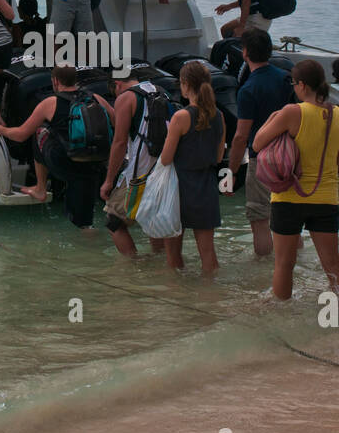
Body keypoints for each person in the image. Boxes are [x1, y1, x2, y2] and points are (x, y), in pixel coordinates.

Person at [253, 60, 339, 300]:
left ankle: (283, 314)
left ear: (302, 85)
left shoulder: (291, 111)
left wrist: (272, 118)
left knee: (284, 264)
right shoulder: (338, 114)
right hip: (326, 198)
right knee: (332, 263)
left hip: (288, 197)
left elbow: (257, 144)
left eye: (294, 83)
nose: (294, 87)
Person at [0, 65, 113, 222]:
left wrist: (0, 130)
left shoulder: (51, 102)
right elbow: (115, 120)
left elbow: (21, 135)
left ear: (55, 81)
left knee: (40, 131)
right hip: (95, 161)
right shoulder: (96, 97)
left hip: (66, 162)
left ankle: (41, 188)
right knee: (85, 221)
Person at [159, 61, 226, 275]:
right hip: (206, 187)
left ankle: (178, 299)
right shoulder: (220, 116)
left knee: (173, 257)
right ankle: (210, 295)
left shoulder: (181, 117)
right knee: (208, 256)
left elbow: (166, 159)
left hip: (179, 188)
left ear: (186, 84)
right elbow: (218, 157)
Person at [229, 29, 289, 257]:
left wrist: (232, 171)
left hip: (262, 159)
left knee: (260, 219)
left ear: (245, 53)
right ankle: (293, 261)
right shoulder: (285, 78)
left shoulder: (248, 89)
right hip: (289, 155)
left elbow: (240, 136)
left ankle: (263, 270)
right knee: (286, 218)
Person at [101, 68, 171, 257]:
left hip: (138, 174)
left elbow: (120, 142)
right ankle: (160, 265)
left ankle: (134, 266)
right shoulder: (162, 91)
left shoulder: (126, 98)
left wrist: (108, 181)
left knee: (113, 222)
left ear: (117, 84)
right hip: (165, 171)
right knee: (155, 221)